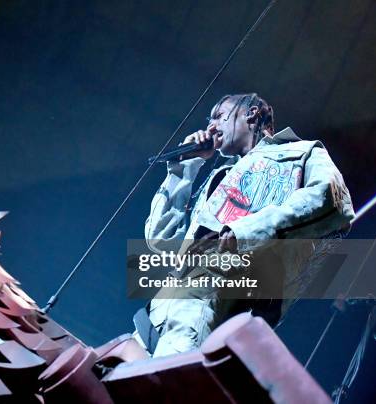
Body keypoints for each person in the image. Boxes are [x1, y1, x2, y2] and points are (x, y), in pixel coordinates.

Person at [133, 93, 355, 357]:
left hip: (217, 292)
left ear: (251, 114)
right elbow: (161, 240)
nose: (211, 127)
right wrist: (184, 167)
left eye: (219, 116)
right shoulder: (220, 177)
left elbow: (332, 199)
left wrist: (242, 233)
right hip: (161, 306)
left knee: (162, 384)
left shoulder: (302, 152)